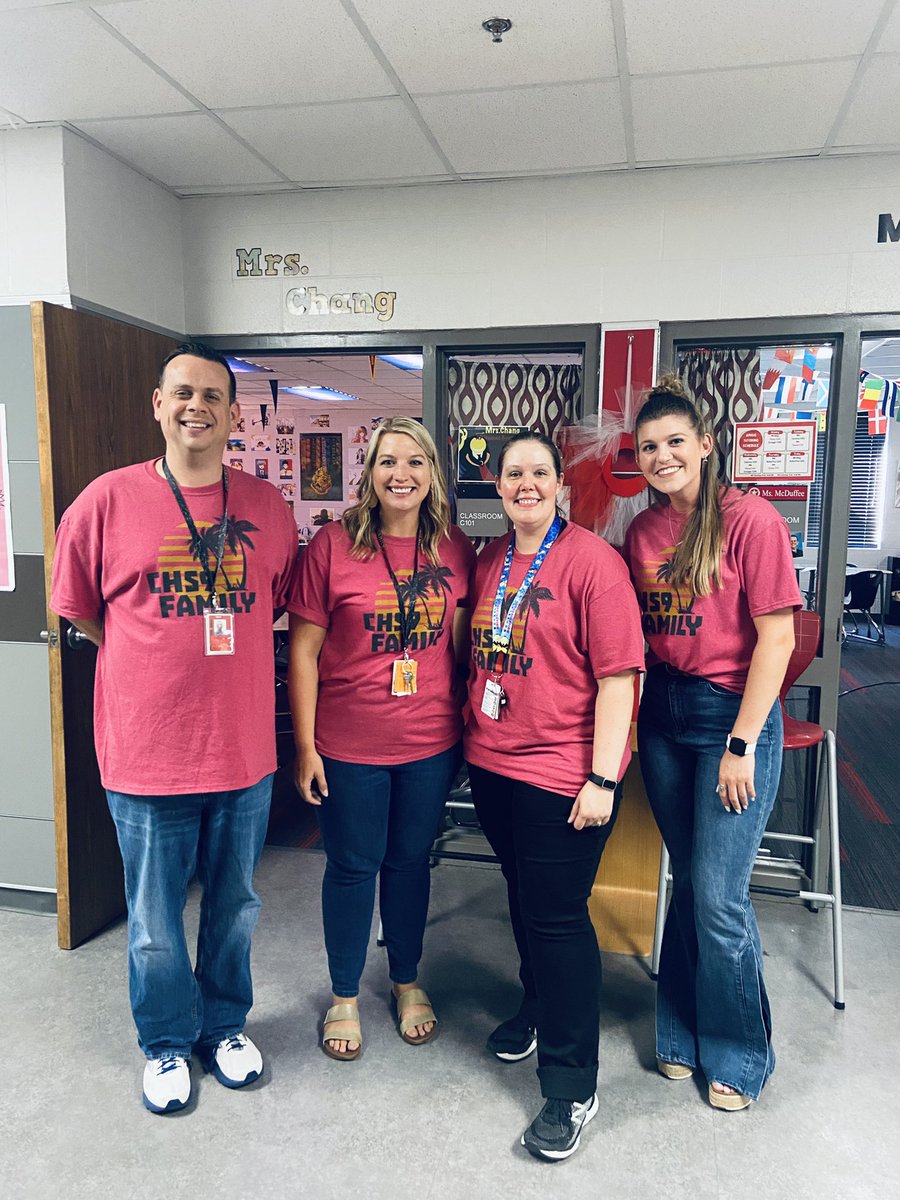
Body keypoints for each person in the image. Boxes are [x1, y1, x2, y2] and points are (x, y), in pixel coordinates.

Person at [50, 342, 298, 1115]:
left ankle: (223, 1026)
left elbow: (274, 602)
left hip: (243, 751)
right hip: (146, 754)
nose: (197, 406)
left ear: (234, 414)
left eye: (214, 396)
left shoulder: (266, 507)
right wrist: (149, 654)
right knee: (154, 920)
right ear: (157, 404)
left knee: (236, 907)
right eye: (182, 392)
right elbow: (82, 611)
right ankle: (163, 1042)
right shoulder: (105, 501)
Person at [622, 375, 801, 1112]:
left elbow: (779, 638)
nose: (662, 456)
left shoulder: (750, 521)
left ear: (704, 444)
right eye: (649, 447)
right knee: (690, 880)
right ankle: (681, 1033)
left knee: (721, 897)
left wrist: (740, 743)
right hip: (664, 714)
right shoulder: (642, 531)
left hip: (734, 718)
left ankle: (738, 1052)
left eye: (674, 442)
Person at [464, 430, 644, 1162]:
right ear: (498, 486)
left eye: (540, 472)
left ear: (560, 484)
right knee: (521, 893)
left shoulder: (594, 564)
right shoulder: (489, 559)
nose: (527, 484)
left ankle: (571, 1084)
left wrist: (602, 778)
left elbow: (618, 679)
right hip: (493, 762)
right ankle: (535, 1006)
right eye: (514, 473)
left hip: (564, 772)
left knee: (559, 916)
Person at [288, 416, 475, 1061]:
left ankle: (405, 979)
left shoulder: (454, 549)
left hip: (430, 743)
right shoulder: (333, 546)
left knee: (408, 864)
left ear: (433, 475)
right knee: (351, 867)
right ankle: (343, 995)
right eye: (389, 462)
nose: (402, 475)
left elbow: (459, 646)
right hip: (348, 746)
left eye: (416, 462)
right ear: (369, 474)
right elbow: (304, 652)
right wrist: (307, 746)